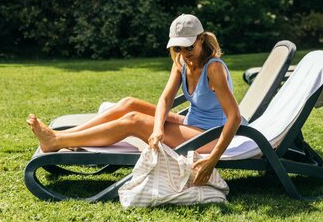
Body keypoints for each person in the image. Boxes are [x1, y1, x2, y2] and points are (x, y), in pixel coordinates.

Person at [26, 14, 241, 186]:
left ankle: (57, 142)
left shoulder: (214, 69)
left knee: (133, 120)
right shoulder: (181, 62)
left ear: (201, 40)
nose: (184, 53)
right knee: (129, 103)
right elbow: (165, 99)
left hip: (211, 134)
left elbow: (235, 118)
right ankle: (61, 136)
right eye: (178, 48)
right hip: (191, 124)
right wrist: (158, 129)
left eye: (189, 47)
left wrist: (212, 160)